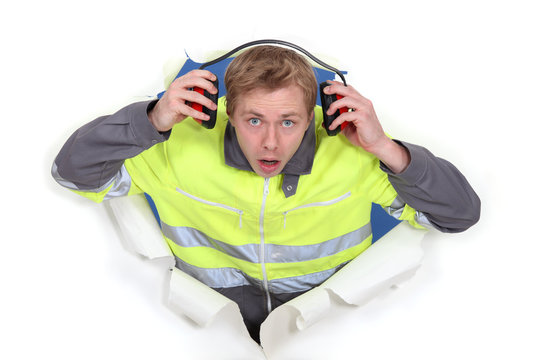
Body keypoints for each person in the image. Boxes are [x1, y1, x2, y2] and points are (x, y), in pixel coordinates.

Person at [52, 45, 480, 343]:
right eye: (254, 120)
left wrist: (385, 147)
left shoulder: (354, 157)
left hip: (328, 329)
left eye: (289, 122)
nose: (271, 142)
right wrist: (153, 118)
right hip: (207, 329)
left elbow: (459, 215)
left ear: (319, 118)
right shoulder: (177, 149)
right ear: (225, 114)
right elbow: (72, 174)